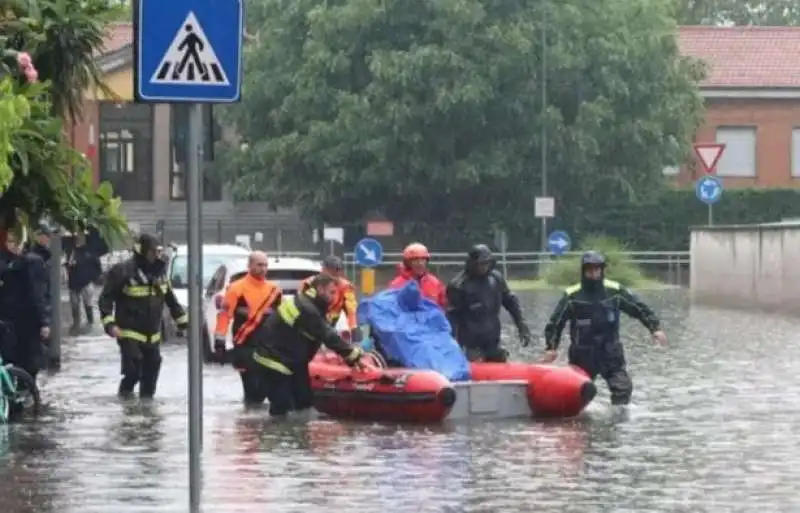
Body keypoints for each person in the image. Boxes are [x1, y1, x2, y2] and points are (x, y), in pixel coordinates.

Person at [542, 251, 667, 406]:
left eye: (597, 269)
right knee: (578, 393)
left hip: (610, 352)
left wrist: (655, 328)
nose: (593, 273)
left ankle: (616, 424)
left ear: (602, 270)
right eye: (589, 269)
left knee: (623, 389)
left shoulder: (614, 291)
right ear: (583, 271)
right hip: (583, 354)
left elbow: (639, 308)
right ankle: (578, 422)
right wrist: (551, 347)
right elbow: (556, 323)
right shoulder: (572, 295)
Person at [247, 273, 368, 416]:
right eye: (332, 292)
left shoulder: (310, 303)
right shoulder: (307, 308)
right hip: (272, 360)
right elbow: (327, 335)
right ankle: (277, 433)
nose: (335, 297)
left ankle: (300, 432)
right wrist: (352, 355)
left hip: (289, 358)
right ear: (320, 289)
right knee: (282, 406)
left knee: (303, 401)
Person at [98, 233, 188, 399]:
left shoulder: (160, 273)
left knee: (152, 369)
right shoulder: (123, 271)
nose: (156, 255)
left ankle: (147, 411)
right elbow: (105, 299)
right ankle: (126, 402)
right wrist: (110, 325)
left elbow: (171, 300)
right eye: (152, 252)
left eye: (157, 252)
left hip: (152, 335)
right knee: (134, 369)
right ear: (142, 251)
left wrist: (184, 323)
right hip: (128, 332)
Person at [213, 251, 282, 404]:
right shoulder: (236, 289)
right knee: (251, 389)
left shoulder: (274, 291)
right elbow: (224, 316)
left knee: (265, 388)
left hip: (267, 346)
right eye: (259, 265)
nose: (263, 269)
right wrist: (220, 342)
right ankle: (249, 421)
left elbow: (281, 320)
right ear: (249, 266)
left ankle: (256, 422)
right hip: (244, 345)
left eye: (265, 265)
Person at [446, 244, 533, 362]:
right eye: (481, 264)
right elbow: (451, 317)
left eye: (487, 263)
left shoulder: (496, 278)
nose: (484, 267)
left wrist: (521, 326)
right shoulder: (458, 285)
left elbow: (511, 302)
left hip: (492, 341)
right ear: (473, 263)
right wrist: (452, 345)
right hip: (470, 345)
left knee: (500, 360)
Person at [0, 230, 51, 382]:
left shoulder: (31, 262)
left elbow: (38, 295)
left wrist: (44, 322)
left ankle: (25, 391)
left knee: (27, 361)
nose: (12, 245)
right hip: (10, 320)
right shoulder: (7, 262)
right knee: (15, 359)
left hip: (27, 321)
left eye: (15, 240)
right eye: (9, 241)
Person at [299, 255, 358, 331]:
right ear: (323, 269)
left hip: (329, 326)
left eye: (337, 270)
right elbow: (301, 304)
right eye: (331, 270)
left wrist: (353, 328)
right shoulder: (309, 283)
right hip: (310, 324)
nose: (335, 273)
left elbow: (351, 310)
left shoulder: (346, 287)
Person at [65, 232, 102, 335]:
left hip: (86, 282)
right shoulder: (71, 251)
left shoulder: (89, 251)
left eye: (80, 237)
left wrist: (94, 278)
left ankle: (90, 323)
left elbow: (97, 266)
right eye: (76, 238)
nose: (78, 239)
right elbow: (67, 265)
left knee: (88, 303)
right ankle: (76, 324)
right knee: (74, 304)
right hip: (73, 282)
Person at [388, 242, 446, 308]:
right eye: (416, 260)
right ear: (407, 263)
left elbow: (444, 306)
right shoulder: (397, 284)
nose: (420, 264)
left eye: (423, 260)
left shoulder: (435, 282)